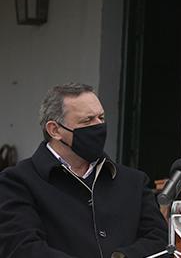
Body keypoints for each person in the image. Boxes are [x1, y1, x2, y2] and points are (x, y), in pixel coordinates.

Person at [0, 83, 168, 258]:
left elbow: (158, 239)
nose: (98, 126)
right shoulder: (17, 182)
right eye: (87, 121)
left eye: (101, 118)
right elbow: (22, 248)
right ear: (55, 130)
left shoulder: (134, 182)